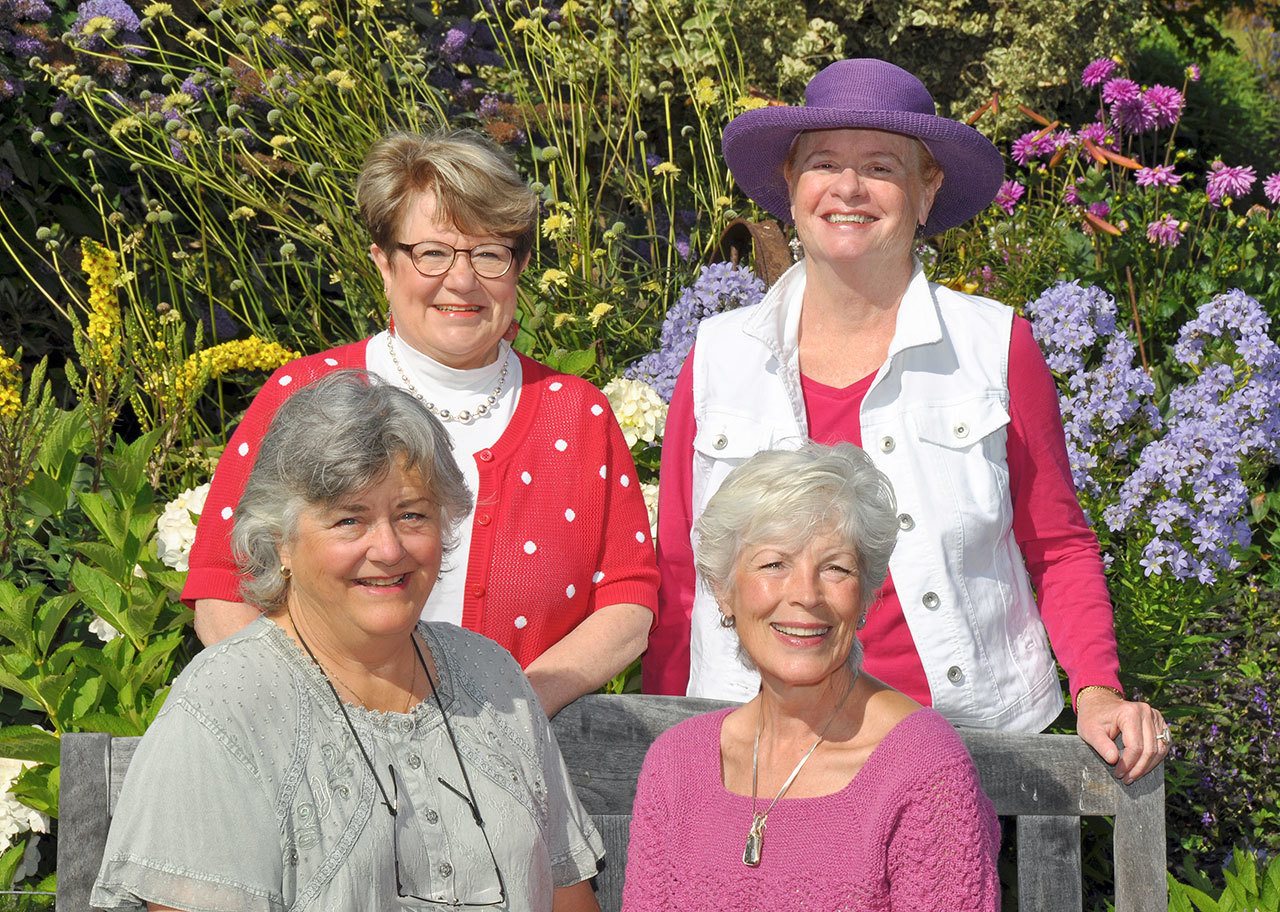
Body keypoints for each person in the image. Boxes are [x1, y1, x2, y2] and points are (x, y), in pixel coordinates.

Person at [646, 57, 1169, 783]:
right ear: (791, 186)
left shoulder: (994, 347)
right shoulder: (717, 356)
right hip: (754, 748)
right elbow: (681, 568)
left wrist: (1098, 688)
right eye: (824, 163)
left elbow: (1056, 545)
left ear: (927, 192)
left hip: (959, 749)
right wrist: (663, 739)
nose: (849, 188)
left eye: (881, 167)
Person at [183, 129, 658, 716]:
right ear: (384, 264)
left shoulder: (576, 414)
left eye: (490, 253)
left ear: (520, 267)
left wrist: (514, 712)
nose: (462, 280)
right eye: (433, 253)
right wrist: (323, 716)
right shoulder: (303, 395)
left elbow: (627, 602)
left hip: (511, 750)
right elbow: (222, 587)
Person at [93, 372, 605, 911]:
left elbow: (567, 899)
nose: (388, 549)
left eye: (412, 515)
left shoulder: (492, 678)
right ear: (280, 541)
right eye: (349, 520)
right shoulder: (227, 706)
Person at [624, 443, 999, 910]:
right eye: (774, 564)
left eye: (835, 568)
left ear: (864, 597)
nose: (806, 594)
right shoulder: (676, 765)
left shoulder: (924, 769)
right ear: (723, 591)